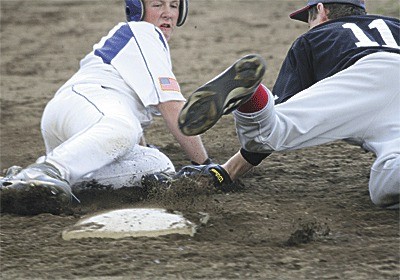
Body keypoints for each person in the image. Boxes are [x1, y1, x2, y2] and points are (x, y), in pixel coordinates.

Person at [177, 0, 400, 209]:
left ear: (321, 11)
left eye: (309, 19)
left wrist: (228, 172)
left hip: (365, 77)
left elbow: (269, 135)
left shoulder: (315, 37)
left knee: (271, 128)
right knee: (383, 188)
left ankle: (252, 95)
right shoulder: (394, 25)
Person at [0, 0, 211, 213]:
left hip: (85, 130)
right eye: (158, 5)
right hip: (84, 104)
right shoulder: (143, 31)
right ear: (137, 8)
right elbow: (174, 109)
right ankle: (45, 171)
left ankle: (26, 183)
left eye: (174, 6)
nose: (168, 14)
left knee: (156, 164)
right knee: (124, 127)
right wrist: (205, 163)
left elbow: (127, 115)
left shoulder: (144, 43)